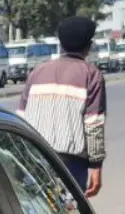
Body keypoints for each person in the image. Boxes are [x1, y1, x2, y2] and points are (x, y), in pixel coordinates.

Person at [19, 14, 106, 197]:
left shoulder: (37, 72)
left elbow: (20, 118)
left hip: (34, 159)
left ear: (61, 44)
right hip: (71, 163)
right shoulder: (91, 74)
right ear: (88, 46)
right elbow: (93, 124)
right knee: (71, 211)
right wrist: (96, 166)